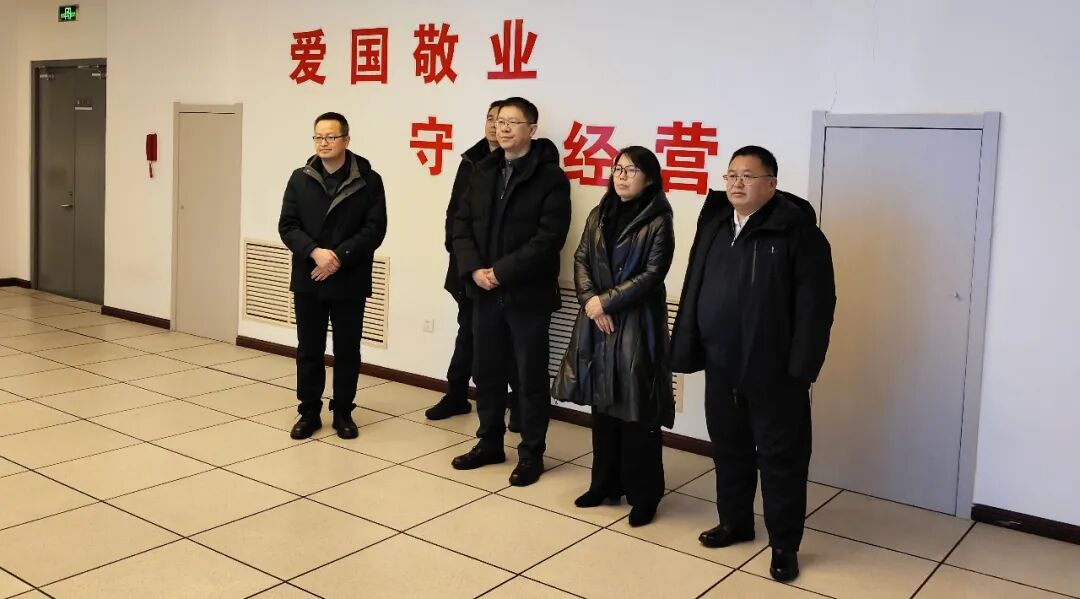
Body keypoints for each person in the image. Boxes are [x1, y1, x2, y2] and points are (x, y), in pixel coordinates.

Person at [670, 145, 835, 583]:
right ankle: (735, 522)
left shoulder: (798, 234)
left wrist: (801, 370)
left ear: (771, 183)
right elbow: (694, 286)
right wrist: (688, 344)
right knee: (729, 448)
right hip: (722, 363)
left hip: (775, 371)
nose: (737, 183)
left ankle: (784, 545)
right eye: (731, 175)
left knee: (781, 460)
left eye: (748, 176)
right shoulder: (716, 225)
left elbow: (817, 308)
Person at [450, 96, 571, 486]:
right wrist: (474, 269)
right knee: (486, 372)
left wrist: (500, 272)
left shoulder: (550, 178)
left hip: (527, 296)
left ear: (531, 130)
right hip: (483, 292)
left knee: (529, 378)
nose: (502, 128)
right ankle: (489, 442)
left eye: (512, 122)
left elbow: (548, 239)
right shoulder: (483, 171)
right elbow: (461, 226)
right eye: (499, 121)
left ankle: (531, 452)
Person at [552, 146, 675, 527]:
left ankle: (644, 495)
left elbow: (652, 274)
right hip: (597, 321)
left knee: (637, 412)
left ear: (649, 178)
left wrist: (605, 302)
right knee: (602, 408)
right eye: (617, 168)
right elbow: (581, 259)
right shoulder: (599, 212)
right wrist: (591, 301)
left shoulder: (658, 220)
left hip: (636, 324)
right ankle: (604, 484)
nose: (621, 176)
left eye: (631, 170)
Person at [278, 112, 387, 440]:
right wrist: (315, 252)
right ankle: (309, 411)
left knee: (347, 349)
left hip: (348, 276)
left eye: (330, 137)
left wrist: (338, 257)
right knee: (308, 348)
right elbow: (287, 225)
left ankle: (343, 412)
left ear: (346, 140)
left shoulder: (369, 180)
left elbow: (375, 229)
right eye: (318, 137)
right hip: (309, 274)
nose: (323, 143)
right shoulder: (300, 178)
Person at [426, 100, 520, 431]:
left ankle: (516, 405)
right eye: (491, 118)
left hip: (506, 271)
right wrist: (465, 261)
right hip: (469, 268)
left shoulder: (524, 164)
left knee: (511, 340)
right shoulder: (472, 160)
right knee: (468, 331)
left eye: (503, 120)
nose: (496, 125)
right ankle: (456, 394)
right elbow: (455, 215)